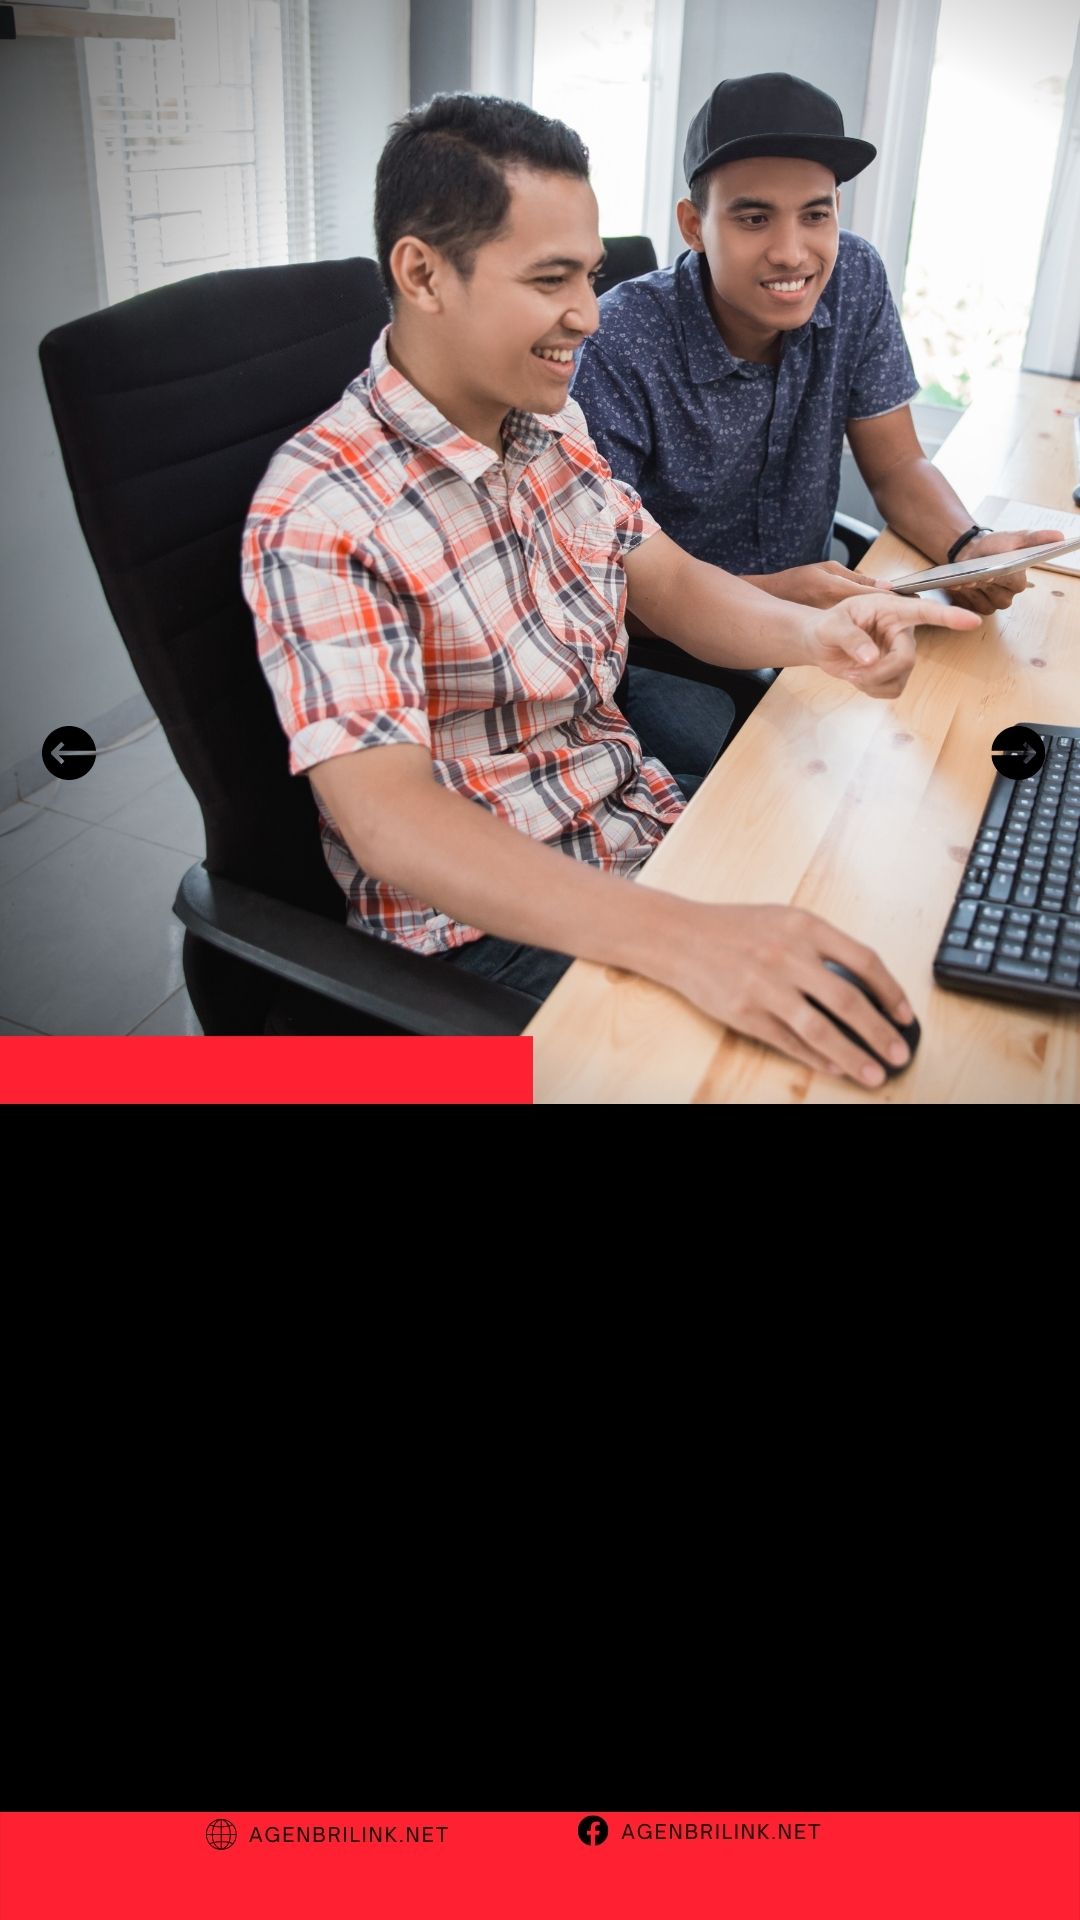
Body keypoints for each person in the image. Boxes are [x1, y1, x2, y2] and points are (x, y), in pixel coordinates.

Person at [242, 92, 979, 1088]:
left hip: (639, 826)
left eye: (588, 276)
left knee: (919, 928)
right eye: (550, 280)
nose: (589, 315)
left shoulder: (546, 423)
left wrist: (823, 636)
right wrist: (685, 937)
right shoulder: (322, 509)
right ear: (422, 274)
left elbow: (666, 582)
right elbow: (388, 821)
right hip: (487, 933)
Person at [571, 71, 1063, 771]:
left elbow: (898, 464)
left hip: (822, 622)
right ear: (693, 226)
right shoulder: (617, 345)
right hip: (670, 651)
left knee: (954, 745)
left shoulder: (854, 276)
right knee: (775, 793)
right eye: (753, 218)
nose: (793, 252)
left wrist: (969, 546)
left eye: (815, 214)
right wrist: (778, 599)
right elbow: (599, 595)